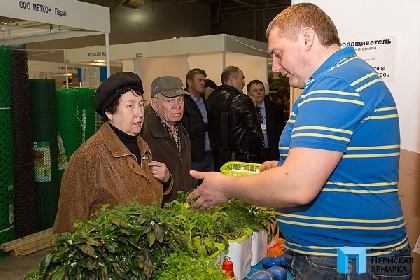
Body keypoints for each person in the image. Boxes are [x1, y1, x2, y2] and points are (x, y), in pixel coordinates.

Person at [187, 3, 411, 279]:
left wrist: (226, 187)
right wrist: (284, 167)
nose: (276, 67)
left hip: (347, 260)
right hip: (359, 257)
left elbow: (298, 187)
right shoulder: (347, 76)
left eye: (278, 54)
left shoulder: (334, 85)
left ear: (307, 39)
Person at [53, 72, 172, 234]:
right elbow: (68, 223)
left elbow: (145, 195)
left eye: (140, 104)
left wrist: (165, 180)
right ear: (109, 113)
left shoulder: (142, 147)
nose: (139, 112)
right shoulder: (88, 157)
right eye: (130, 106)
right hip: (109, 254)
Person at [141, 76, 192, 203]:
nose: (177, 106)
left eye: (180, 99)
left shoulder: (180, 128)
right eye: (169, 101)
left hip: (181, 208)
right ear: (154, 103)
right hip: (159, 212)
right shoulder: (143, 133)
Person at [206, 66, 263, 171]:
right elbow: (254, 132)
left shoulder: (211, 98)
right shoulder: (241, 100)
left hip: (218, 160)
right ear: (232, 79)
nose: (244, 82)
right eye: (242, 78)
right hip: (242, 162)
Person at [182, 69, 214, 189]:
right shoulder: (182, 102)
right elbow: (184, 129)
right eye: (199, 80)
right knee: (191, 191)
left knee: (210, 191)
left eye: (204, 80)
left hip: (209, 154)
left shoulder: (204, 101)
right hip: (194, 156)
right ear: (189, 82)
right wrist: (205, 126)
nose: (203, 83)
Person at [247, 79, 284, 161]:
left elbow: (281, 130)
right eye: (255, 90)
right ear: (249, 94)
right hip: (254, 154)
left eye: (261, 90)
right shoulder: (246, 110)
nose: (259, 93)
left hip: (273, 152)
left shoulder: (276, 108)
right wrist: (252, 108)